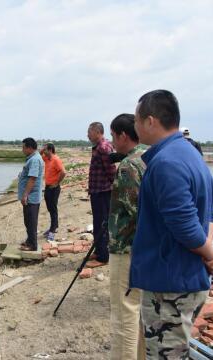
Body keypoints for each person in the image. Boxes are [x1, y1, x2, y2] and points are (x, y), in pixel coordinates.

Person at [131, 90, 213, 358]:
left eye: (136, 119)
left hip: (170, 284)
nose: (134, 125)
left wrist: (210, 253)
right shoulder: (188, 153)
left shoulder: (167, 162)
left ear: (150, 121)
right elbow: (207, 212)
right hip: (183, 276)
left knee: (167, 354)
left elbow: (184, 222)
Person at [107, 114, 146, 360]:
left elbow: (136, 210)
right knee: (139, 312)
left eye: (112, 136)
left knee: (124, 314)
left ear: (123, 135)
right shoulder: (148, 158)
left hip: (126, 247)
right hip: (143, 250)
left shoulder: (129, 165)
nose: (112, 142)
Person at [86, 122, 116, 268]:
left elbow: (111, 171)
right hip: (97, 191)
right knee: (97, 223)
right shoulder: (98, 147)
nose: (87, 135)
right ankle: (99, 251)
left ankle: (103, 257)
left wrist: (110, 187)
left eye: (89, 132)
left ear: (98, 132)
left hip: (103, 192)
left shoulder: (104, 148)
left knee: (102, 224)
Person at [18, 137, 44, 251]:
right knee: (27, 221)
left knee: (31, 221)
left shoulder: (34, 160)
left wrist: (25, 195)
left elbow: (32, 179)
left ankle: (33, 245)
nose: (22, 150)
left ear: (29, 148)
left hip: (31, 197)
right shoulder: (33, 158)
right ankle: (29, 240)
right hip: (30, 197)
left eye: (23, 147)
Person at [40, 143, 66, 241]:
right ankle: (54, 226)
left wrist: (57, 183)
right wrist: (43, 148)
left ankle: (53, 229)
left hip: (54, 188)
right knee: (50, 208)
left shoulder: (56, 159)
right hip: (47, 187)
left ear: (50, 150)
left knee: (53, 208)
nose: (43, 151)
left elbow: (63, 172)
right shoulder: (47, 158)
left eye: (45, 149)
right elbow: (39, 155)